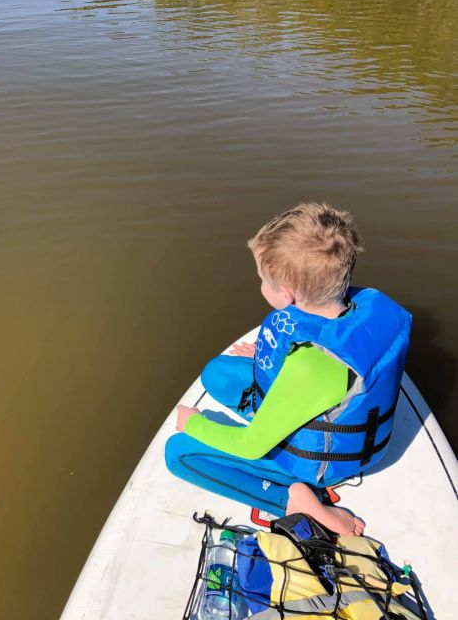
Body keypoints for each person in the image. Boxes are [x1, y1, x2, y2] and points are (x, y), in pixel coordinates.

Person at [165, 202, 411, 536]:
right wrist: (276, 354)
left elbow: (249, 445)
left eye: (262, 280)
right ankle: (279, 438)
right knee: (217, 373)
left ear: (286, 295)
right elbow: (319, 358)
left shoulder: (309, 368)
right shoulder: (353, 310)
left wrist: (194, 424)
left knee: (177, 452)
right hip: (335, 413)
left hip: (323, 464)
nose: (260, 285)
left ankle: (295, 499)